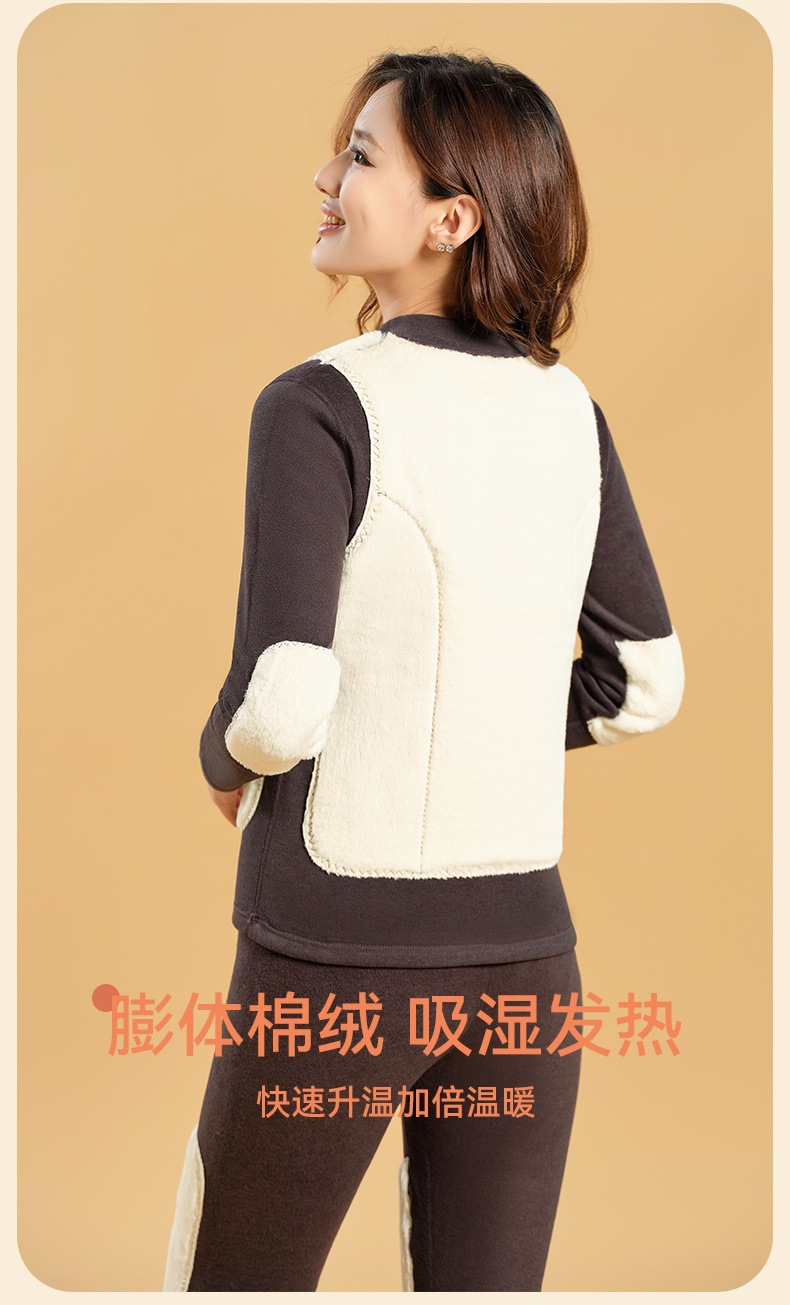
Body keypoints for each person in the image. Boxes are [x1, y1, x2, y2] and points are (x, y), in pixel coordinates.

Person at [162, 49, 685, 1292]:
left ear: (451, 219)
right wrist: (485, 721)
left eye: (358, 156)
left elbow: (282, 703)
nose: (325, 177)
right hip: (527, 964)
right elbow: (644, 685)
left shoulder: (318, 405)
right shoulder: (570, 412)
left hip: (335, 953)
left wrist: (217, 754)